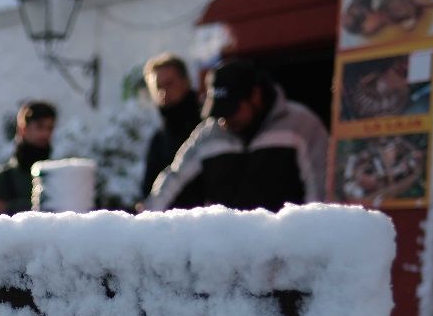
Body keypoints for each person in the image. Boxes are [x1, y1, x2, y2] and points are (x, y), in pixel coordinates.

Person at [144, 59, 329, 213]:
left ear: (255, 96)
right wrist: (149, 219)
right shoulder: (209, 132)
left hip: (284, 247)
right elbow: (174, 178)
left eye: (231, 110)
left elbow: (320, 188)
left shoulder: (300, 125)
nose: (224, 121)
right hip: (226, 249)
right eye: (219, 113)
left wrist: (308, 238)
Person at [0, 101, 57, 214]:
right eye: (39, 127)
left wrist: (9, 207)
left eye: (50, 128)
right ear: (22, 129)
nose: (45, 134)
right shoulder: (0, 179)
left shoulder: (56, 176)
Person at [140, 53, 203, 196]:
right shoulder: (159, 139)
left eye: (169, 84)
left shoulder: (207, 125)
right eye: (158, 87)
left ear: (186, 82)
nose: (163, 92)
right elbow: (148, 192)